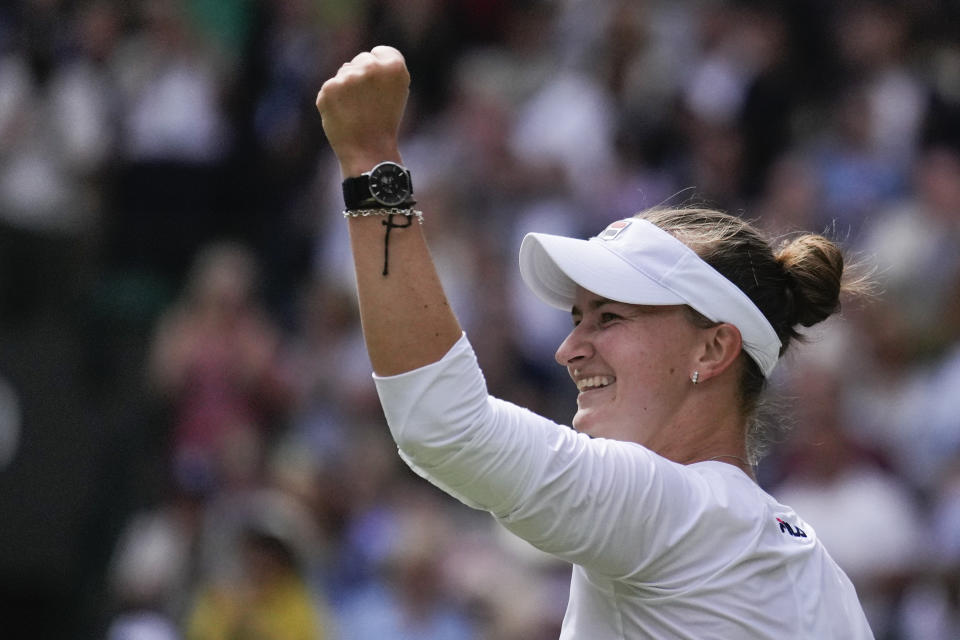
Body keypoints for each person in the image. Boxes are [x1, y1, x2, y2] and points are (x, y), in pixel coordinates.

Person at [315, 46, 874, 639]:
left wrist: (371, 159)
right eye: (576, 318)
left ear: (712, 350)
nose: (569, 349)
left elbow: (444, 423)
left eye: (608, 318)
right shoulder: (818, 572)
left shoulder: (675, 512)